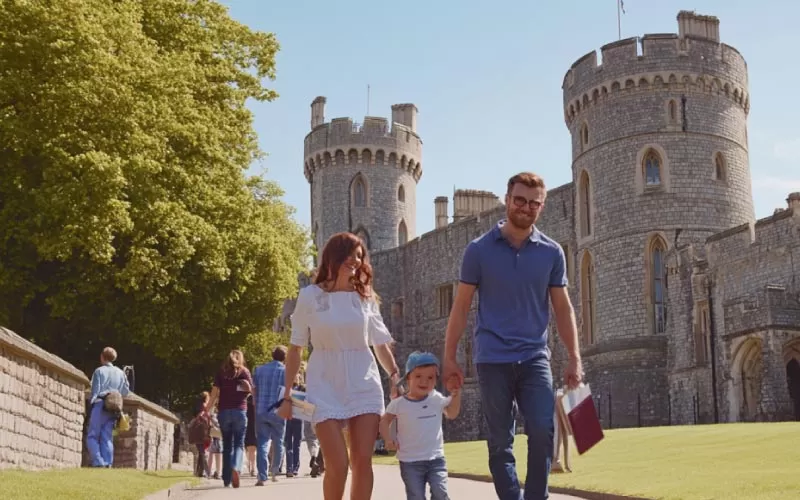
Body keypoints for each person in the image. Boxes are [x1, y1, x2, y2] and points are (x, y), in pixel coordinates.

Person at [443, 172, 584, 500]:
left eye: (534, 203)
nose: (526, 207)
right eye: (520, 200)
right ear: (507, 200)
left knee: (542, 429)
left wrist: (575, 357)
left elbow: (563, 309)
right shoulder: (478, 250)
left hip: (535, 357)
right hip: (492, 358)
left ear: (542, 206)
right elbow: (461, 307)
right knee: (499, 441)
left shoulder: (551, 253)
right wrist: (449, 357)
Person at [279, 231, 401, 500]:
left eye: (359, 256)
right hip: (323, 380)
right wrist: (287, 395)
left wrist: (394, 376)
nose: (355, 261)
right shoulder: (310, 296)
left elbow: (379, 343)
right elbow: (296, 348)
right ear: (333, 256)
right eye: (349, 254)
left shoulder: (366, 297)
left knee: (362, 462)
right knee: (338, 465)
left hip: (363, 380)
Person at [380, 352, 462, 500]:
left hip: (436, 459)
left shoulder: (436, 398)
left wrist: (456, 395)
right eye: (418, 376)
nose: (424, 381)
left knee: (440, 493)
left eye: (430, 377)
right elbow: (384, 421)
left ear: (436, 381)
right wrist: (388, 439)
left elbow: (452, 413)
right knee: (416, 496)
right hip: (410, 462)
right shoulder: (399, 404)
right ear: (408, 378)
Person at [207, 349, 252, 489]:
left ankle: (226, 478)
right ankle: (236, 468)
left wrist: (207, 410)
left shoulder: (221, 373)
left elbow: (214, 394)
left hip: (224, 412)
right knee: (239, 444)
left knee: (227, 445)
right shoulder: (244, 372)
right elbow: (251, 390)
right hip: (240, 411)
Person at [86, 346, 130, 468]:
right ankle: (108, 463)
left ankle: (98, 462)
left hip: (100, 404)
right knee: (107, 437)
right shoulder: (120, 373)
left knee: (93, 435)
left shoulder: (99, 371)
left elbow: (95, 391)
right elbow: (125, 392)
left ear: (102, 356)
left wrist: (90, 405)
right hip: (114, 407)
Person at [252, 345, 287, 486]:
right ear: (285, 357)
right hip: (278, 411)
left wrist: (256, 402)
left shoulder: (259, 370)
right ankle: (274, 471)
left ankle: (262, 475)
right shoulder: (285, 371)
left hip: (261, 409)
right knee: (278, 442)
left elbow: (254, 390)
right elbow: (287, 391)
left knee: (262, 443)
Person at [284, 374, 305, 477]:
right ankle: (289, 469)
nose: (294, 379)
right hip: (288, 419)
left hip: (298, 420)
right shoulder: (287, 388)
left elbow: (306, 403)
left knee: (296, 444)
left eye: (296, 377)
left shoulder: (302, 389)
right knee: (288, 444)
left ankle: (295, 467)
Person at [245, 394, 257, 476]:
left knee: (249, 450)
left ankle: (251, 466)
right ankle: (253, 467)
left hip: (247, 428)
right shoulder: (257, 407)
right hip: (255, 428)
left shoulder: (245, 408)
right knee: (254, 450)